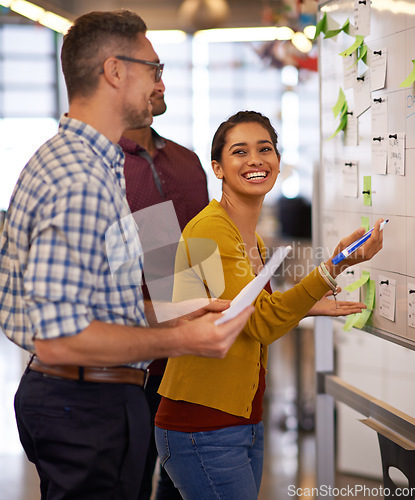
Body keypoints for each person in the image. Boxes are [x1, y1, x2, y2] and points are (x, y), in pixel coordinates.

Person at [0, 11, 253, 500]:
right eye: (153, 69)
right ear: (116, 71)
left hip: (101, 388)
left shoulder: (111, 165)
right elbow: (59, 339)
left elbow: (106, 300)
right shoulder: (80, 178)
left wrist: (179, 316)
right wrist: (183, 339)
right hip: (86, 396)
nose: (160, 82)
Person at [154, 111, 384, 500]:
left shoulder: (253, 240)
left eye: (265, 149)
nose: (256, 160)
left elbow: (241, 312)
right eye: (239, 152)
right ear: (218, 168)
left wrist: (306, 306)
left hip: (241, 418)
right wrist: (334, 267)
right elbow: (260, 323)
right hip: (203, 425)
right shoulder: (212, 229)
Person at [119, 77, 208, 499]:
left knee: (181, 484)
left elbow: (198, 262)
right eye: (152, 73)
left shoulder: (188, 163)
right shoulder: (100, 167)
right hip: (125, 369)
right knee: (128, 485)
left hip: (188, 364)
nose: (163, 83)